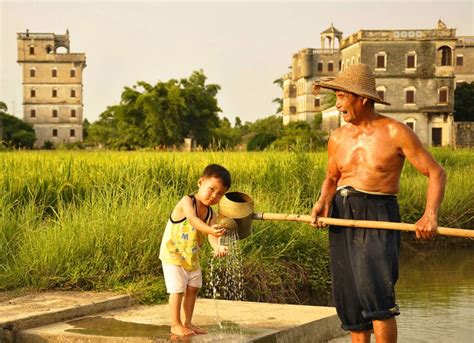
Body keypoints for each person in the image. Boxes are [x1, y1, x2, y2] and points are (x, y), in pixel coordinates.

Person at [310, 63, 446, 343]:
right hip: (341, 213)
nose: (337, 105)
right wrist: (323, 200)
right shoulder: (337, 137)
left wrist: (429, 215)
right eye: (335, 97)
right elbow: (331, 177)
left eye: (341, 97)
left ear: (361, 98)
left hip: (377, 213)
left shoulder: (395, 132)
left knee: (376, 297)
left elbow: (436, 172)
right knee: (350, 300)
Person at [159, 164, 231, 336]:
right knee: (177, 289)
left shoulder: (210, 213)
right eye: (211, 189)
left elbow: (213, 235)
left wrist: (218, 246)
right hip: (173, 255)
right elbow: (192, 220)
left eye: (220, 193)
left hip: (191, 257)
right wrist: (210, 230)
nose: (214, 196)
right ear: (201, 182)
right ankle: (175, 324)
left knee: (193, 288)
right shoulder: (187, 201)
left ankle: (188, 322)